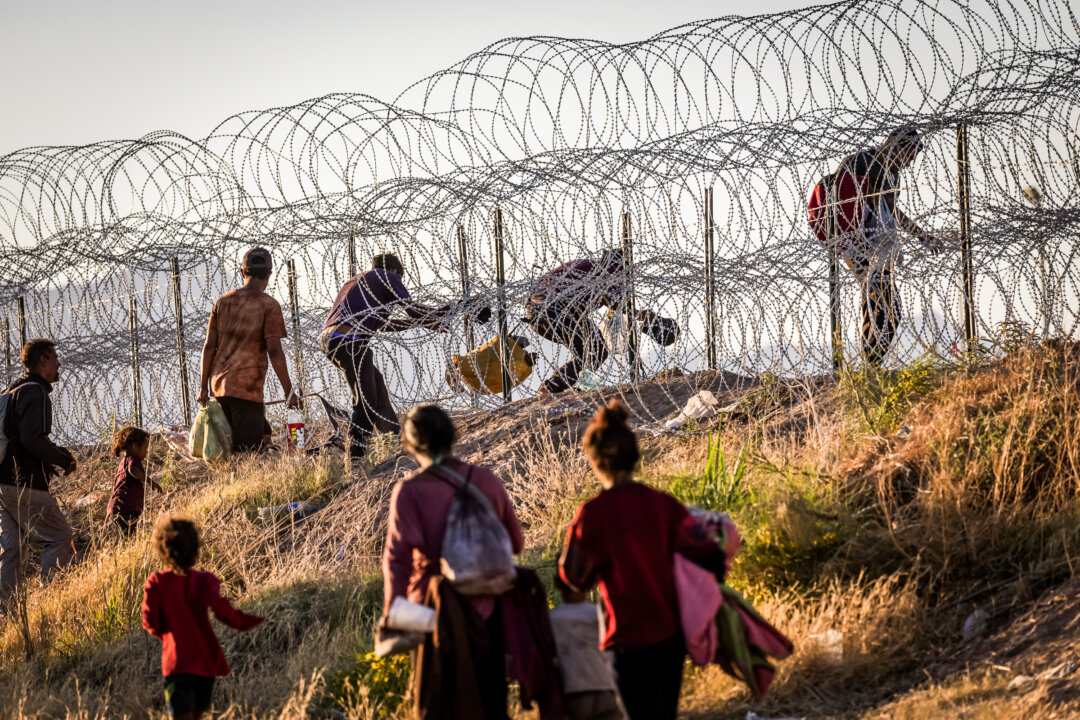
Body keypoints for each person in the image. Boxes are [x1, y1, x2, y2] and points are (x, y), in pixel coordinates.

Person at [559, 400, 727, 720]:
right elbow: (711, 558)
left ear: (594, 461)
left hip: (624, 638)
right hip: (669, 635)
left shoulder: (591, 515)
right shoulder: (663, 505)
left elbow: (573, 577)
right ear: (634, 456)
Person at [381, 404, 524, 719]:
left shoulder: (409, 492)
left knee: (442, 705)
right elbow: (516, 543)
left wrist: (393, 615)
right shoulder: (485, 480)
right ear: (451, 435)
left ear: (409, 444)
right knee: (491, 706)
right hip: (491, 612)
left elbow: (398, 560)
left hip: (435, 616)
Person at [323, 253, 453, 460]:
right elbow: (412, 310)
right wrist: (442, 314)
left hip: (335, 340)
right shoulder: (388, 276)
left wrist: (427, 321)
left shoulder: (360, 282)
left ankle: (392, 438)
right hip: (350, 341)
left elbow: (384, 325)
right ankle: (355, 456)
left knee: (376, 383)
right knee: (366, 400)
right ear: (395, 272)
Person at [832, 128, 944, 365]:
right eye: (907, 157)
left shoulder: (891, 175)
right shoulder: (861, 163)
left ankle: (871, 364)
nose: (907, 165)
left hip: (878, 249)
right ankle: (871, 364)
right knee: (881, 304)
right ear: (893, 144)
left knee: (883, 306)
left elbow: (891, 211)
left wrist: (922, 236)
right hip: (858, 244)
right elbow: (842, 203)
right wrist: (857, 246)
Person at [142, 518, 263, 720]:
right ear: (195, 549)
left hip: (176, 665)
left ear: (162, 550)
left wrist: (168, 637)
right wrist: (252, 621)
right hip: (206, 663)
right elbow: (223, 611)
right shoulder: (204, 580)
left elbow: (149, 621)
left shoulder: (156, 582)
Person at [197, 247, 300, 452]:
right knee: (247, 455)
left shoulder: (223, 302)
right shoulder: (268, 305)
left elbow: (209, 346)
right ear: (269, 274)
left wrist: (202, 387)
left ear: (242, 272)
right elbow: (274, 351)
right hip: (247, 390)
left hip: (219, 389)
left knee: (230, 450)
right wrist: (289, 390)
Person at [0, 339, 77, 605]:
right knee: (59, 537)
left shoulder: (12, 390)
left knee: (13, 549)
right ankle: (50, 601)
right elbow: (32, 440)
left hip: (2, 484)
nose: (59, 364)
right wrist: (63, 460)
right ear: (43, 361)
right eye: (55, 358)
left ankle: (5, 612)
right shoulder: (36, 393)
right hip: (25, 482)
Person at [524, 249, 658, 394]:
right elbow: (616, 304)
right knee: (597, 351)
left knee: (587, 351)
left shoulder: (586, 266)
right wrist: (642, 315)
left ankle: (563, 387)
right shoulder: (610, 271)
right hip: (558, 311)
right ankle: (556, 386)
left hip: (534, 314)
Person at [550, 573, 624, 720]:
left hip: (574, 692)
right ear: (590, 585)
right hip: (606, 688)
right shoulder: (600, 615)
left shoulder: (552, 619)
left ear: (557, 584)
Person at [105, 426, 161, 535]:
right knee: (129, 537)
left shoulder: (123, 462)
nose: (146, 452)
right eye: (145, 448)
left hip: (116, 508)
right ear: (135, 447)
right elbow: (133, 470)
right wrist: (151, 482)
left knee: (127, 537)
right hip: (126, 509)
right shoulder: (133, 459)